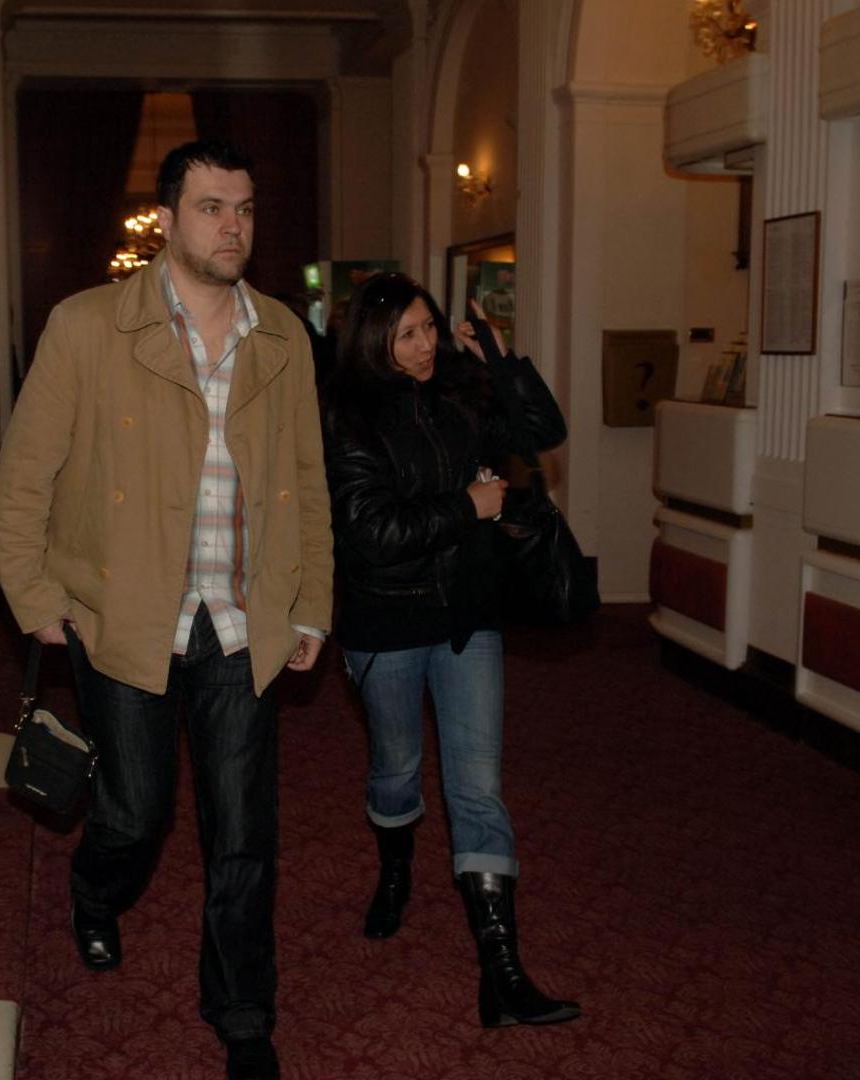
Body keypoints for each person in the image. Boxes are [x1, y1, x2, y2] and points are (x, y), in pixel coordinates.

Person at [0, 138, 332, 1080]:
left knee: (244, 831)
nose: (233, 227)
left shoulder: (282, 335)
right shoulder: (87, 326)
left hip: (242, 620)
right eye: (212, 208)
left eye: (245, 209)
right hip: (123, 614)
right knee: (134, 814)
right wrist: (34, 595)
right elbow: (25, 475)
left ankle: (242, 1011)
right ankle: (96, 892)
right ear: (168, 219)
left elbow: (309, 479)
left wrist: (312, 603)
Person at [322, 272, 580, 1028]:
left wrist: (498, 356)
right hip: (386, 624)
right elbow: (371, 535)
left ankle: (503, 973)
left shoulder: (459, 396)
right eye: (406, 334)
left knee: (478, 789)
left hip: (469, 616)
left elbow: (542, 432)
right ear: (374, 341)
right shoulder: (347, 416)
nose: (425, 345)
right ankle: (395, 874)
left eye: (428, 327)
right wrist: (466, 505)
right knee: (397, 770)